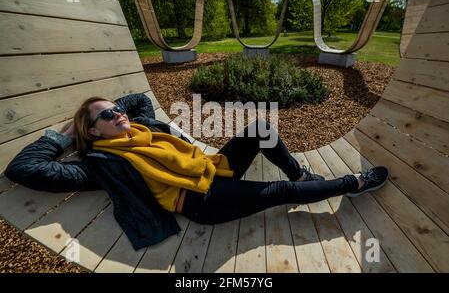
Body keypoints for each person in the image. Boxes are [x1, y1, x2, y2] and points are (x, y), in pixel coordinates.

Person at [5, 93, 389, 250]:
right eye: (107, 115)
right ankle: (353, 184)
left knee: (260, 128)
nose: (118, 113)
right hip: (200, 201)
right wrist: (64, 136)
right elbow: (24, 169)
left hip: (212, 170)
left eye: (115, 110)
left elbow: (137, 99)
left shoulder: (143, 126)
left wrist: (105, 110)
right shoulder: (100, 165)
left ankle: (301, 176)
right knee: (275, 193)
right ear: (93, 131)